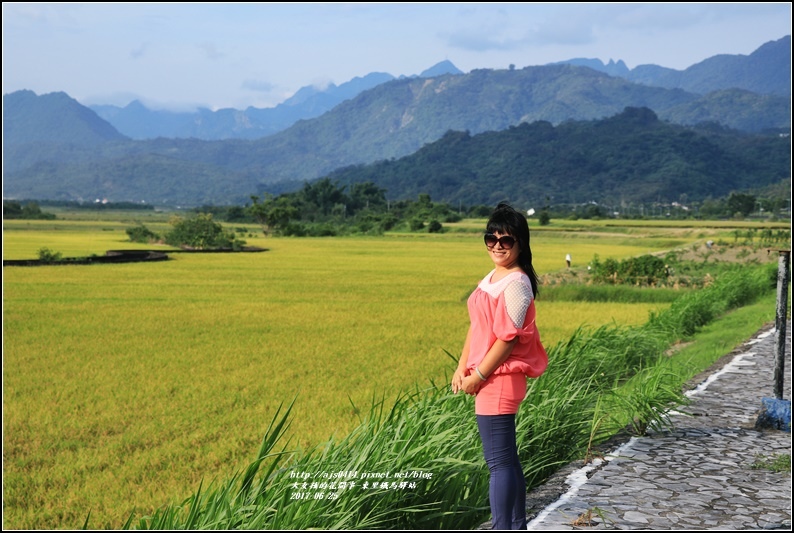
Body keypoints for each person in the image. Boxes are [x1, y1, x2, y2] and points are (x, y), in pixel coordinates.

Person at [452, 202, 549, 530]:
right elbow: (478, 326)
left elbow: (506, 340)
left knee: (498, 464)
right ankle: (516, 525)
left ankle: (502, 527)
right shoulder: (494, 277)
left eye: (505, 240)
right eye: (490, 238)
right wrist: (461, 366)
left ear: (520, 243)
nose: (496, 245)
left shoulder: (517, 285)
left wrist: (477, 376)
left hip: (500, 380)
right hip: (489, 377)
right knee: (506, 459)